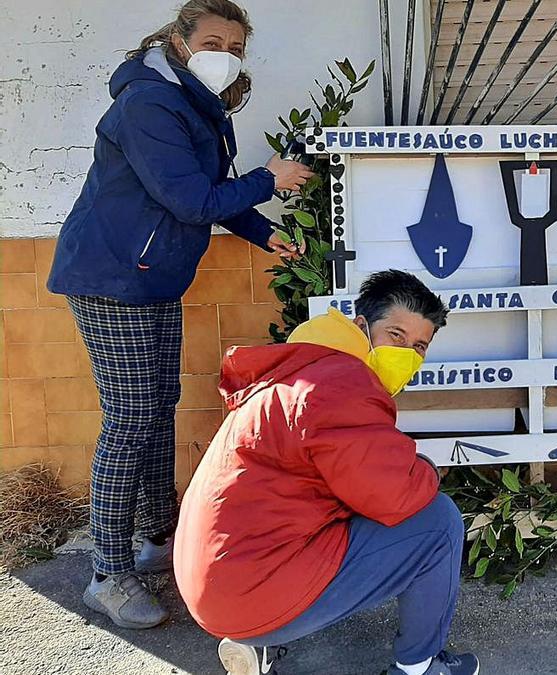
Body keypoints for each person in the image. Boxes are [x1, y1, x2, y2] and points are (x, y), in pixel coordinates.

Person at [45, 0, 313, 629]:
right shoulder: (148, 104)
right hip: (112, 276)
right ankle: (108, 574)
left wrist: (260, 232)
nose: (227, 55)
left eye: (238, 47)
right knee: (131, 416)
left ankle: (157, 536)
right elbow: (190, 199)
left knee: (156, 405)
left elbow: (209, 190)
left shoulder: (196, 105)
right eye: (215, 40)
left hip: (151, 276)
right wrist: (270, 178)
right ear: (177, 39)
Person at [174, 270, 477, 675]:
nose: (408, 353)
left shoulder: (299, 370)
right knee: (438, 522)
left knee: (347, 502)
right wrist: (425, 468)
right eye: (396, 335)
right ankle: (419, 666)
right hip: (248, 591)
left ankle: (257, 642)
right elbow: (396, 492)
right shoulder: (339, 384)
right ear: (361, 326)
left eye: (419, 346)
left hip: (214, 581)